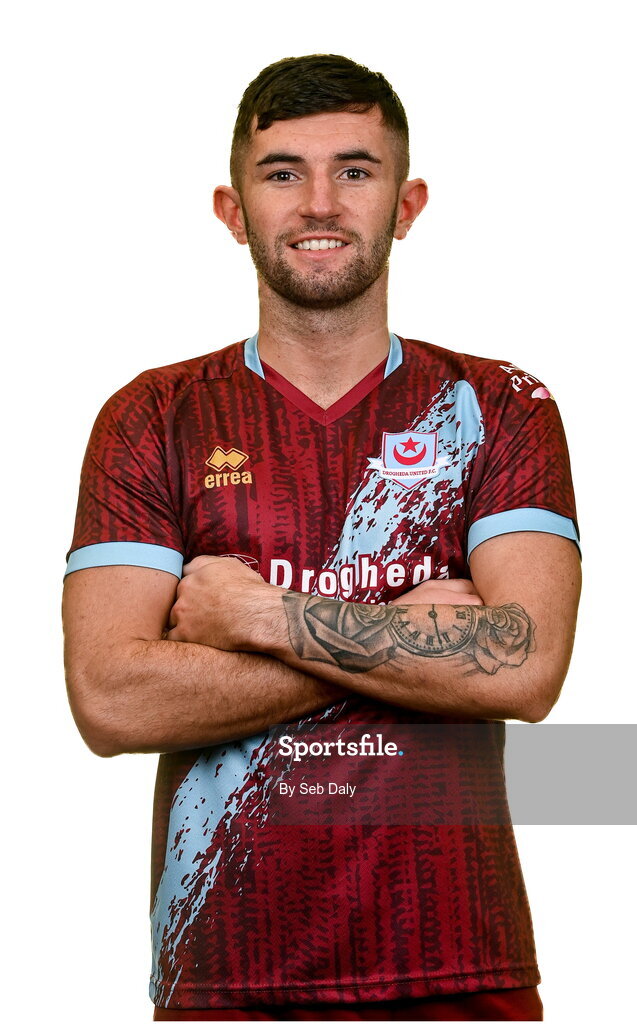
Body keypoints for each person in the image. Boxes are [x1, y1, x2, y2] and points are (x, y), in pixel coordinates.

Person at [63, 54, 581, 1022]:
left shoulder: (501, 406)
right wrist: (412, 635)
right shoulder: (150, 417)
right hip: (225, 975)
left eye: (354, 170)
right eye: (282, 172)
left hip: (459, 967)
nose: (319, 203)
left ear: (406, 204)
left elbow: (524, 667)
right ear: (232, 211)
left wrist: (261, 616)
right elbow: (110, 700)